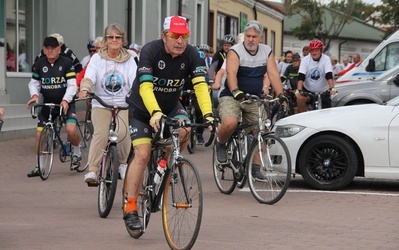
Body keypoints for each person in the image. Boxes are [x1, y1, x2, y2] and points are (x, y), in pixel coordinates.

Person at [123, 15, 214, 230]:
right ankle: (131, 207)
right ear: (164, 36)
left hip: (171, 106)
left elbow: (201, 86)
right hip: (143, 109)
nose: (180, 41)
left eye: (184, 36)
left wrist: (209, 114)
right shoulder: (150, 51)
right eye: (174, 36)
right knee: (143, 154)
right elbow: (145, 86)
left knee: (184, 131)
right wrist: (154, 112)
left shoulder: (192, 54)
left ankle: (165, 164)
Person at [215, 20, 287, 176]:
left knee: (262, 130)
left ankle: (255, 168)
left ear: (260, 38)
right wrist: (235, 91)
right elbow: (231, 74)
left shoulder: (267, 51)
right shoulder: (234, 51)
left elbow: (273, 74)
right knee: (230, 122)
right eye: (248, 36)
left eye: (254, 36)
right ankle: (220, 144)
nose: (250, 39)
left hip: (253, 98)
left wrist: (281, 94)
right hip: (232, 96)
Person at [78, 23, 137, 183]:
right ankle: (93, 170)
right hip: (101, 103)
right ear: (105, 40)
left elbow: (134, 81)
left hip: (123, 104)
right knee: (101, 134)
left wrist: (135, 96)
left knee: (124, 132)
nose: (114, 40)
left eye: (118, 37)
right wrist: (85, 89)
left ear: (122, 40)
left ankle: (123, 164)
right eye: (110, 37)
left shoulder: (129, 59)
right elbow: (89, 77)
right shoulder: (97, 58)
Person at [26, 36, 81, 177]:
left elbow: (72, 85)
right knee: (39, 136)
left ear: (58, 49)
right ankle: (40, 167)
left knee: (71, 130)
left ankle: (76, 152)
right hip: (48, 104)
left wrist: (66, 101)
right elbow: (34, 83)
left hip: (66, 103)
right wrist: (34, 96)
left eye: (53, 48)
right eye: (47, 48)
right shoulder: (40, 63)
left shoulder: (67, 62)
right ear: (44, 50)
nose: (50, 51)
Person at [295, 39, 336, 113]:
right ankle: (304, 119)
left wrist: (332, 88)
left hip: (323, 91)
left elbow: (329, 75)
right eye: (312, 51)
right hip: (308, 91)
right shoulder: (305, 60)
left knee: (326, 113)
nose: (314, 53)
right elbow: (301, 76)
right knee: (300, 99)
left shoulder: (326, 59)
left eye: (316, 50)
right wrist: (299, 90)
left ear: (321, 51)